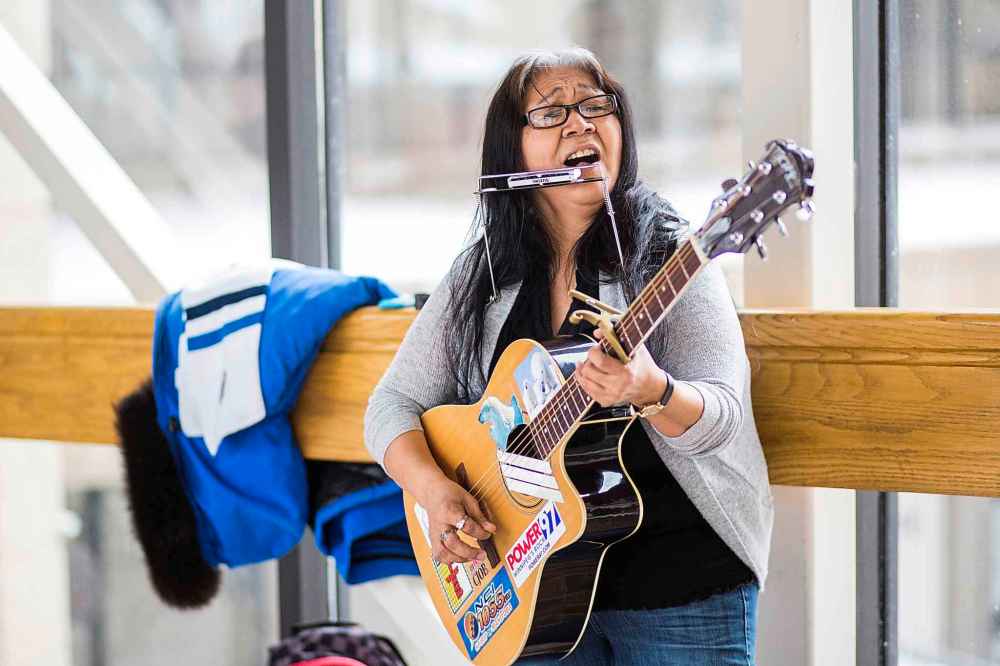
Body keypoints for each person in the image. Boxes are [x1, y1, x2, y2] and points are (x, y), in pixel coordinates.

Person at [364, 47, 774, 666]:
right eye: (551, 113)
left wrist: (653, 390)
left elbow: (721, 419)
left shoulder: (672, 254)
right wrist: (433, 490)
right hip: (534, 595)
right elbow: (390, 405)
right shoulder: (485, 272)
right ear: (512, 153)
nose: (580, 123)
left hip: (682, 585)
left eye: (595, 106)